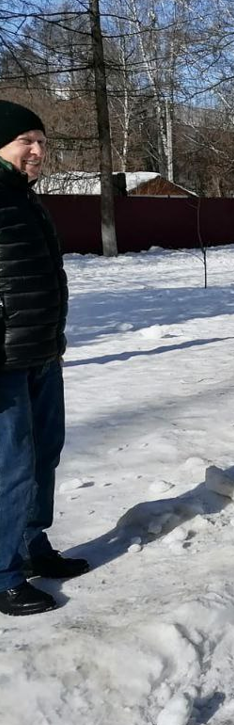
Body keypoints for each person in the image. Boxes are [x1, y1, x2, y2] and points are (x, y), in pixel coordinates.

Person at [0, 100, 90, 617]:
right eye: (25, 141)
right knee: (10, 467)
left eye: (41, 141)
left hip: (40, 351)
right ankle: (4, 572)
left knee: (44, 455)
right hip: (4, 362)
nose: (37, 151)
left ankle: (32, 545)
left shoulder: (25, 200)